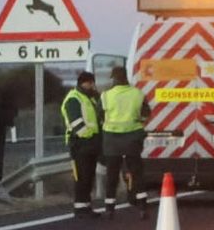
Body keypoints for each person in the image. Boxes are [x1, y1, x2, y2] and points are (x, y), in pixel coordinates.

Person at [100, 65, 149, 218]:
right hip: (133, 137)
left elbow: (100, 116)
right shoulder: (138, 94)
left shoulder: (106, 95)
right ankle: (142, 207)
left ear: (114, 79)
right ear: (126, 77)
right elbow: (146, 114)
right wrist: (138, 121)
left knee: (112, 175)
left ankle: (109, 208)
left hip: (112, 139)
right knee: (137, 173)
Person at [60, 71, 103, 218]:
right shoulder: (74, 98)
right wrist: (90, 137)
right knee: (82, 177)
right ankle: (79, 207)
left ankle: (86, 206)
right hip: (79, 143)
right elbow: (76, 123)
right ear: (82, 83)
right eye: (90, 83)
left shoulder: (90, 98)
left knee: (89, 176)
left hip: (91, 143)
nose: (92, 85)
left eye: (93, 83)